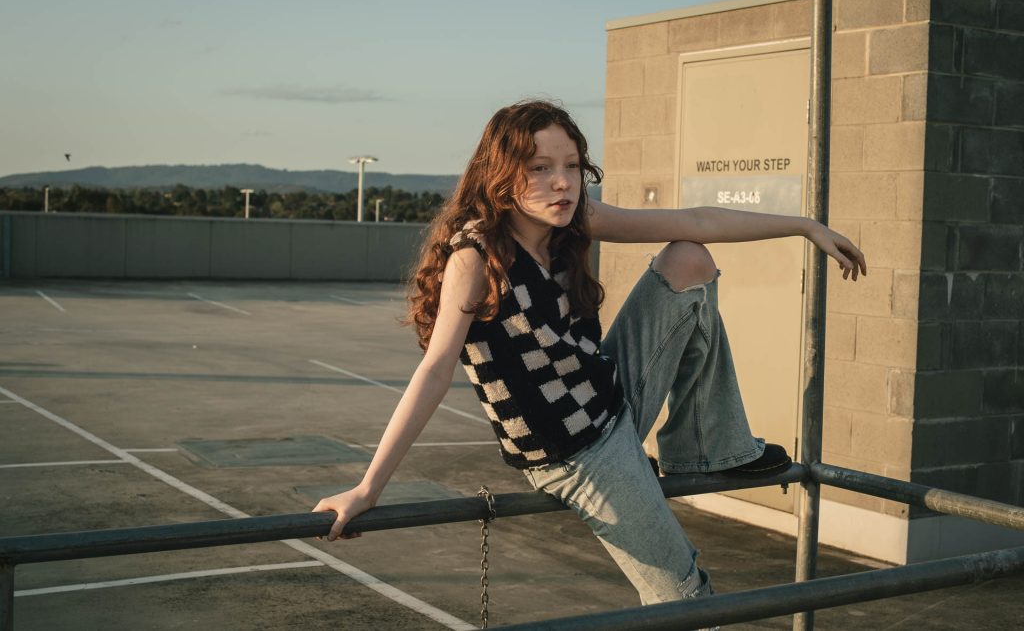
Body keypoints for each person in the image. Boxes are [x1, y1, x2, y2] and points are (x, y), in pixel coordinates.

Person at [312, 100, 866, 605]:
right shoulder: (477, 256)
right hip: (576, 452)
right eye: (539, 168)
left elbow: (697, 222)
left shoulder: (574, 225)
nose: (562, 184)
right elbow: (434, 370)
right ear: (500, 175)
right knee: (686, 597)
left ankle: (709, 447)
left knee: (689, 257)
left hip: (613, 397)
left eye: (572, 166)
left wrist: (804, 226)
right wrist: (368, 487)